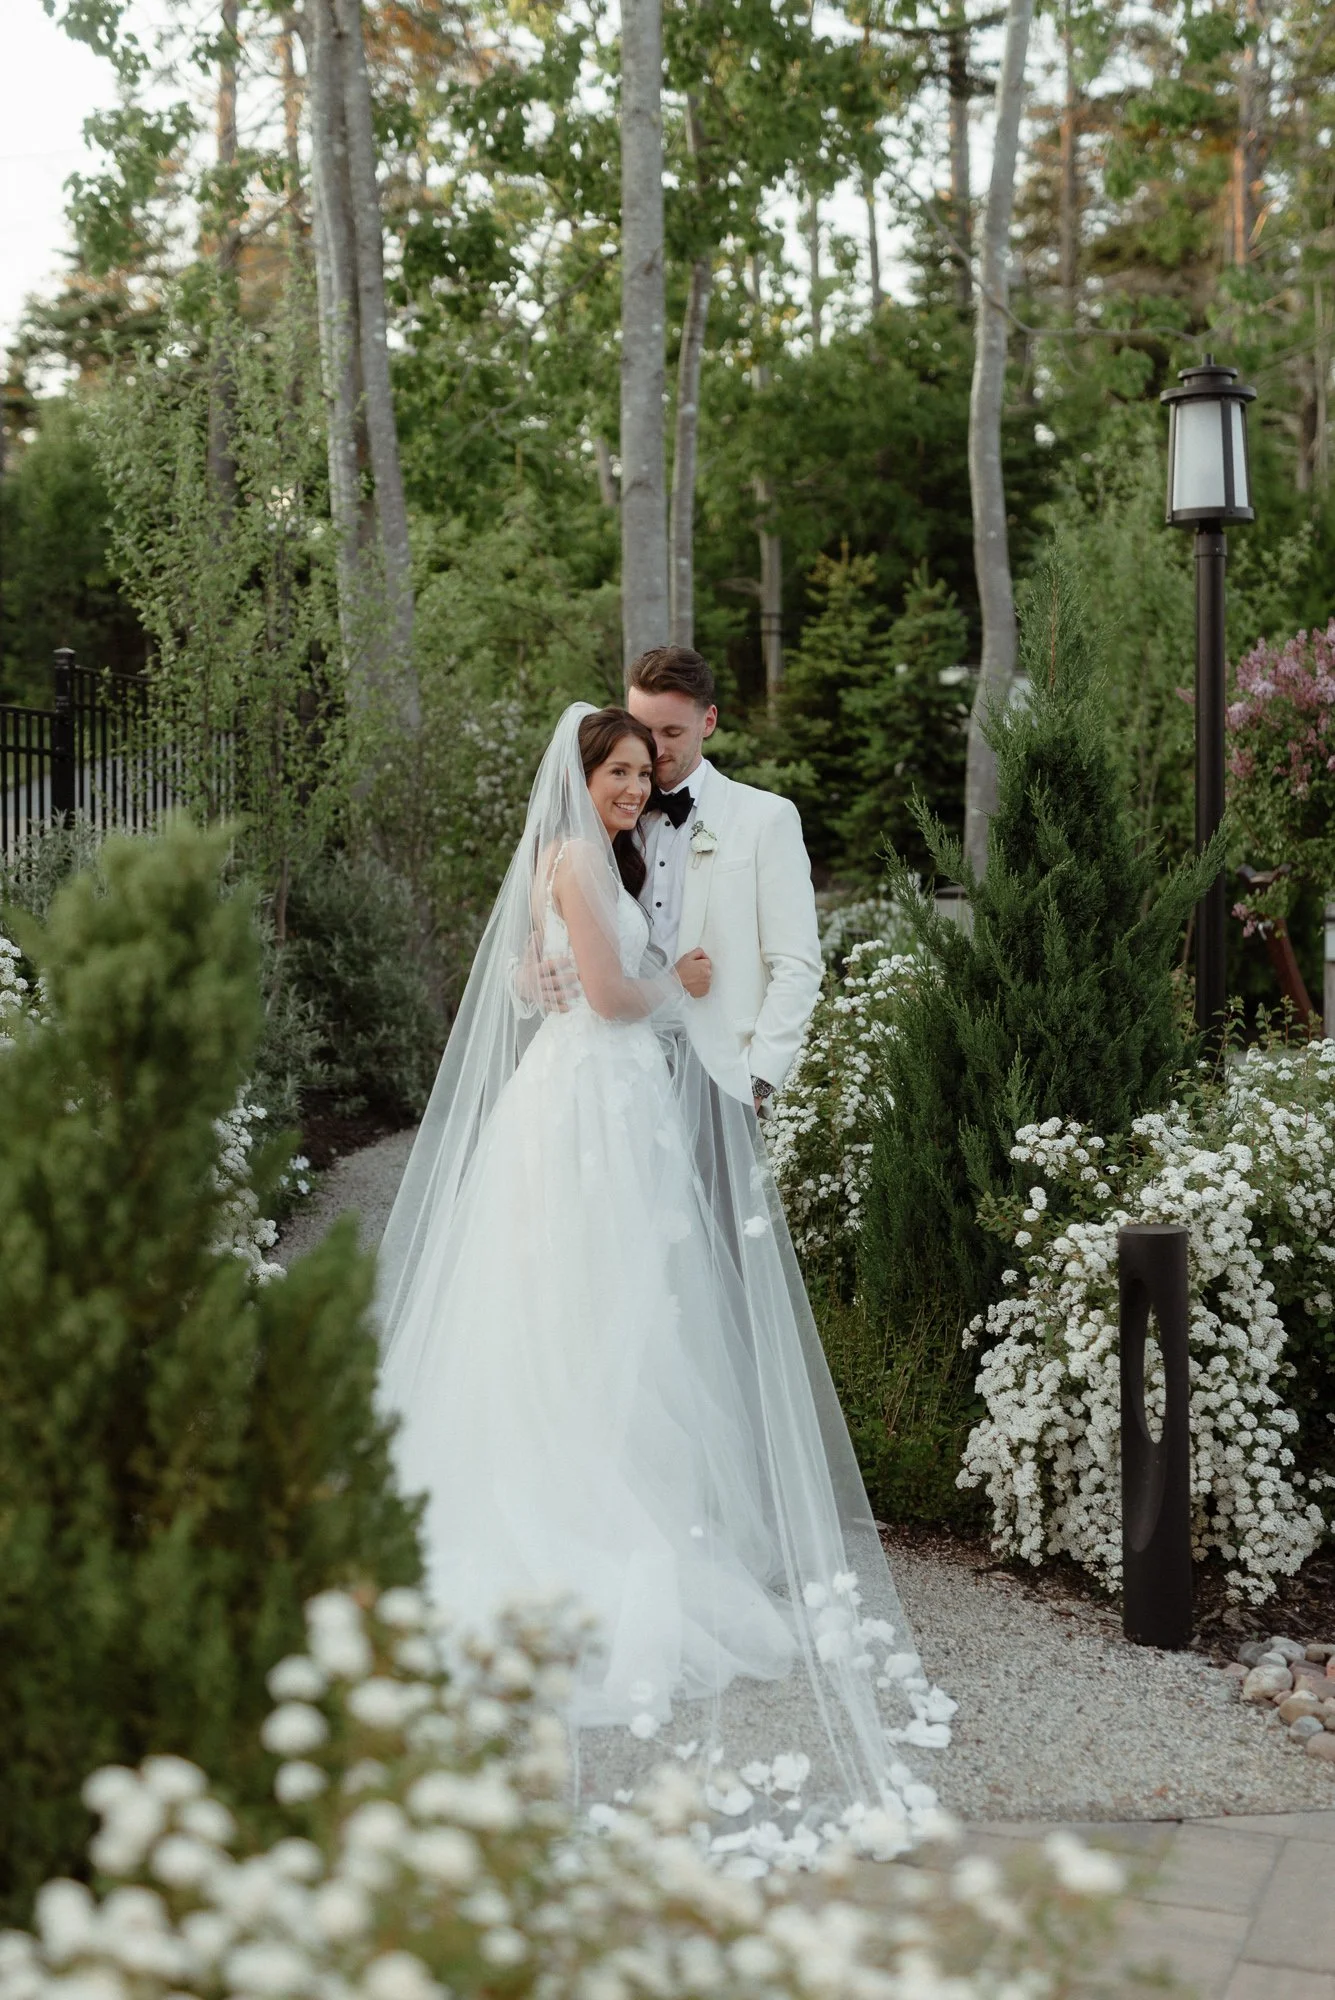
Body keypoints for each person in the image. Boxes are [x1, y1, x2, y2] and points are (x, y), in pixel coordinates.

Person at [375, 704, 945, 1868]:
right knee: (607, 1302)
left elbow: (543, 986)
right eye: (622, 769)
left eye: (646, 769)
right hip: (596, 1101)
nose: (637, 786)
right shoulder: (582, 854)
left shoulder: (581, 854)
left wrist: (580, 979)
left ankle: (610, 1469)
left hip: (596, 1095)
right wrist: (678, 977)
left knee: (611, 1310)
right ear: (583, 774)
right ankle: (593, 1501)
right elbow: (612, 992)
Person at [626, 645, 822, 1117]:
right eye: (643, 730)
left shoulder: (765, 817)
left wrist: (760, 1077)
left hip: (718, 1071)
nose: (655, 748)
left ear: (708, 722)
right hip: (621, 1058)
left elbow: (796, 964)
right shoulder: (612, 817)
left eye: (672, 732)